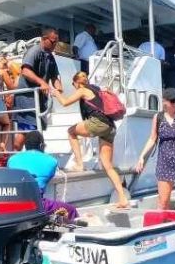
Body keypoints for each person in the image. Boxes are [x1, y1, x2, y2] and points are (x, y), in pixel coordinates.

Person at [52, 71, 129, 208]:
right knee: (108, 166)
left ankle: (79, 164)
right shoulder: (96, 89)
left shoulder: (82, 90)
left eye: (73, 84)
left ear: (77, 82)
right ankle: (123, 198)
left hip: (98, 123)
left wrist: (55, 92)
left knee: (71, 132)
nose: (74, 87)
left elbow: (64, 102)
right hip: (110, 126)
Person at [8, 131, 79, 220]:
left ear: (25, 145)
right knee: (71, 210)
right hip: (37, 204)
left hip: (14, 204)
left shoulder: (12, 159)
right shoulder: (52, 161)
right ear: (41, 145)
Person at [13, 27, 63, 150]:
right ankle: (14, 158)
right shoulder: (34, 51)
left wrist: (59, 89)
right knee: (27, 131)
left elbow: (54, 76)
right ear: (44, 39)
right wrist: (42, 83)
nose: (55, 44)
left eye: (56, 42)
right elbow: (25, 71)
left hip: (39, 101)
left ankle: (22, 157)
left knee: (32, 131)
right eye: (52, 41)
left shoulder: (50, 57)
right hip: (27, 100)